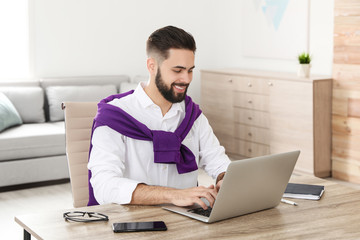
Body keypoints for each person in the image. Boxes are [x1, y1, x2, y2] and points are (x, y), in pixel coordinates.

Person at [88, 26, 231, 210]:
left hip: (187, 221)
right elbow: (104, 185)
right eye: (177, 70)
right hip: (133, 222)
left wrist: (224, 179)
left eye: (190, 70)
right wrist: (174, 195)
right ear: (152, 66)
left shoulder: (192, 116)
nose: (186, 79)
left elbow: (218, 161)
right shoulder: (115, 116)